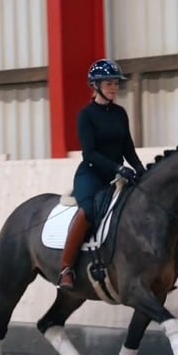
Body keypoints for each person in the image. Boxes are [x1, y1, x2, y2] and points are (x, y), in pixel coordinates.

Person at [59, 58, 147, 290]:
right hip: (92, 175)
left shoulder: (120, 113)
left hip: (116, 175)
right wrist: (118, 168)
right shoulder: (86, 116)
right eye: (109, 84)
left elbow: (127, 147)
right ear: (96, 86)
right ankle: (66, 267)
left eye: (116, 84)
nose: (114, 88)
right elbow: (89, 154)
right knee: (88, 211)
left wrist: (139, 169)